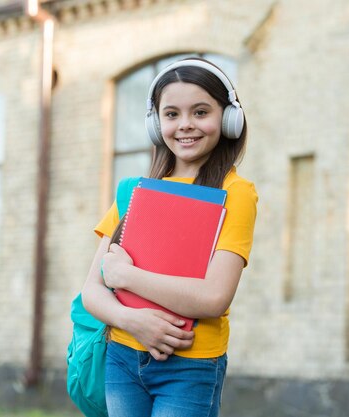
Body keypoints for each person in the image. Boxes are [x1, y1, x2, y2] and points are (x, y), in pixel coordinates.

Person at [81, 57, 258, 417]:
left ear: (228, 118)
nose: (186, 125)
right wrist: (133, 322)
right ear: (155, 122)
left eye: (201, 112)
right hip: (122, 360)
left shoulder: (236, 193)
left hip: (190, 367)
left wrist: (127, 276)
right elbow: (91, 292)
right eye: (172, 114)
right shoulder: (134, 191)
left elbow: (213, 297)